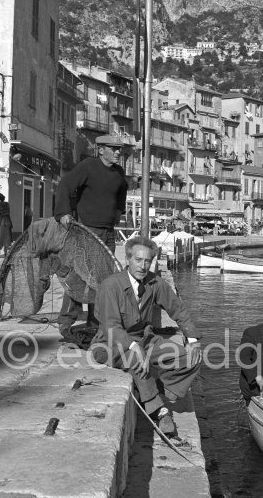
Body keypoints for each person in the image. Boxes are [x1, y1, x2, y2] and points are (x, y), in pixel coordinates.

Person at [90, 236, 201, 436]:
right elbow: (111, 326)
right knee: (137, 360)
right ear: (128, 260)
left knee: (189, 358)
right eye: (138, 260)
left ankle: (161, 389)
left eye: (147, 261)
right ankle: (160, 411)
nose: (143, 266)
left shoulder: (154, 283)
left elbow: (178, 310)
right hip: (110, 343)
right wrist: (133, 347)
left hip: (144, 340)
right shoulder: (111, 286)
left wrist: (192, 340)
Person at [54, 135, 128, 340]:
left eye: (119, 149)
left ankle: (94, 323)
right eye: (113, 149)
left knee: (103, 280)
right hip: (87, 231)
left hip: (108, 233)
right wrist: (63, 213)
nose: (118, 152)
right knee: (79, 276)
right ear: (101, 149)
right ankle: (66, 321)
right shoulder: (88, 166)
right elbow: (65, 186)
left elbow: (122, 192)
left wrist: (119, 212)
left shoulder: (119, 173)